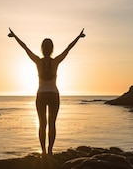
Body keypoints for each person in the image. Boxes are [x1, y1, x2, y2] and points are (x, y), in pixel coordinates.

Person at [8, 28, 85, 156]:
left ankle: (43, 151)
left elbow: (25, 47)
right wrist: (78, 36)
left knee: (42, 124)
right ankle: (49, 151)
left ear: (42, 48)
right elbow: (68, 48)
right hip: (53, 95)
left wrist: (15, 36)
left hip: (42, 95)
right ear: (52, 49)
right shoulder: (56, 61)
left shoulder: (38, 61)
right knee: (52, 124)